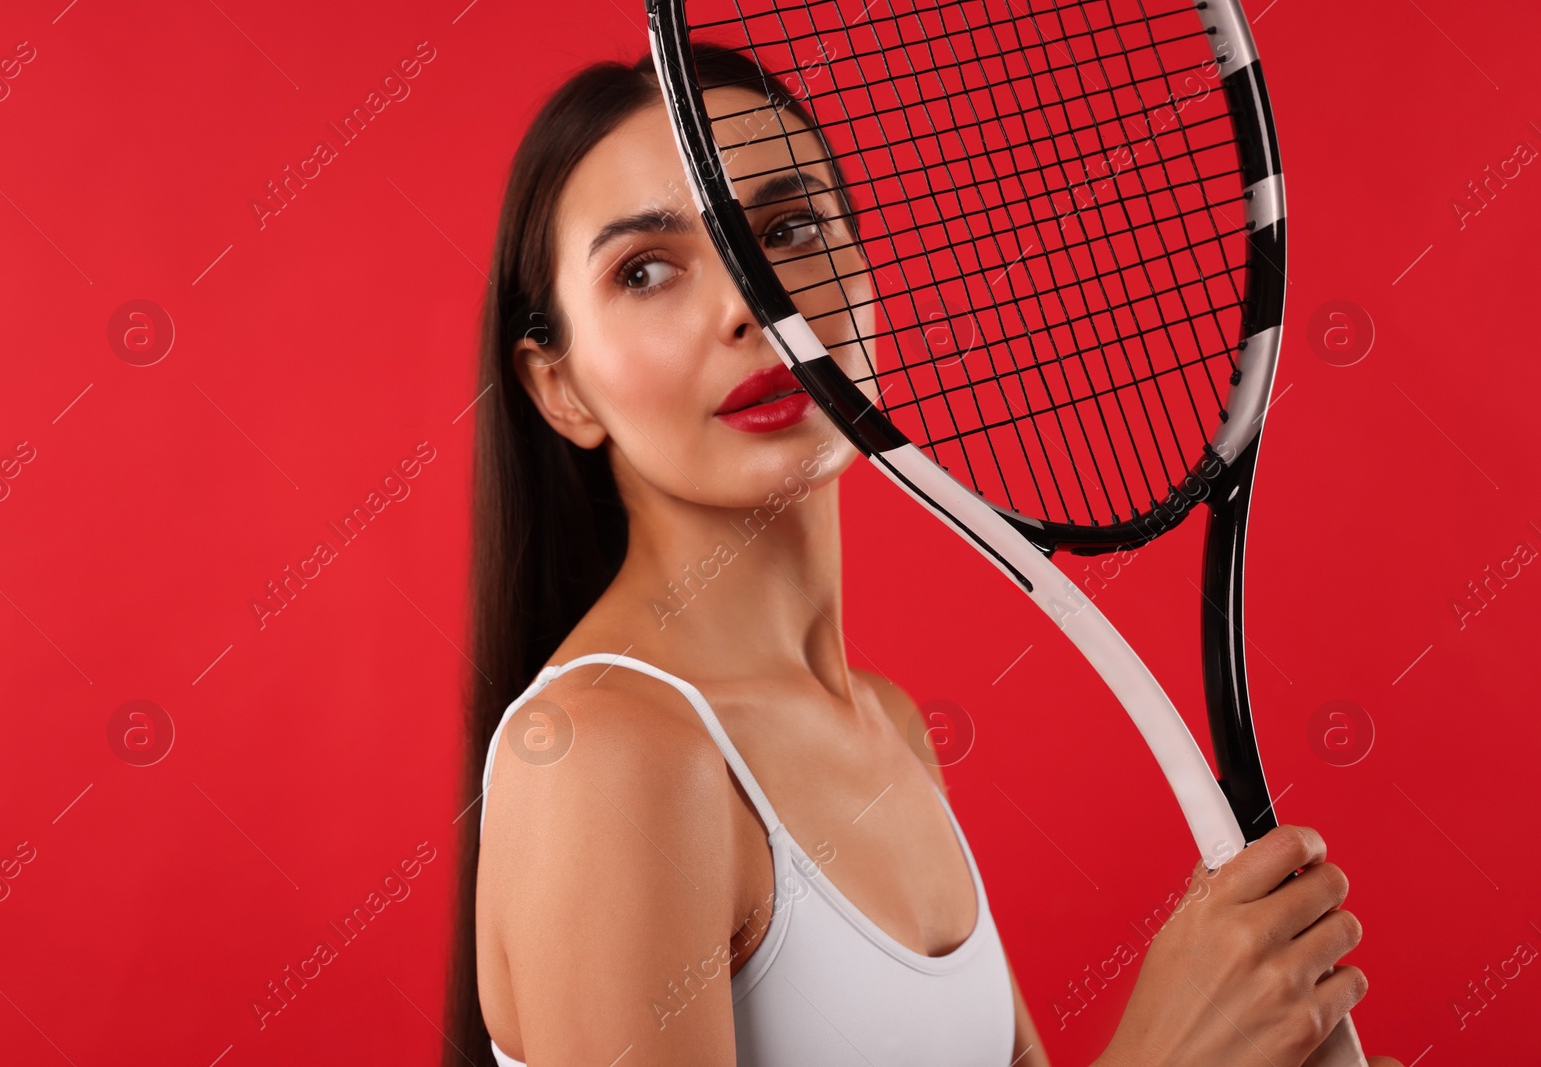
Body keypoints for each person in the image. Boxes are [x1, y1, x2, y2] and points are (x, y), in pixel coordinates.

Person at [442, 43, 1402, 1067]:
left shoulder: (889, 724)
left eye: (790, 227)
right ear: (560, 388)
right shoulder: (606, 752)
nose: (750, 305)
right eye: (645, 269)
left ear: (865, 269)